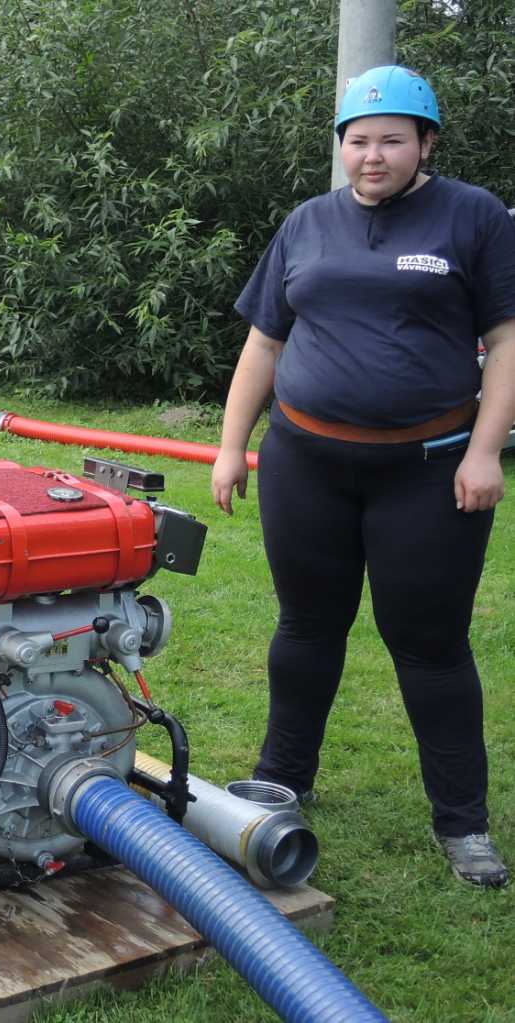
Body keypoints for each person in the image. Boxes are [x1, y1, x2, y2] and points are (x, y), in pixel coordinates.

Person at [212, 64, 515, 888]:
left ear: (425, 143)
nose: (371, 156)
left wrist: (485, 448)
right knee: (305, 627)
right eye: (357, 140)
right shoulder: (306, 223)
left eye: (389, 139)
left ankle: (462, 824)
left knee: (430, 645)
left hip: (427, 470)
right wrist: (231, 445)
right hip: (304, 461)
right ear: (340, 146)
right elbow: (264, 343)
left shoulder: (473, 217)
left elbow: (507, 338)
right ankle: (281, 777)